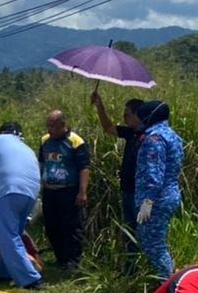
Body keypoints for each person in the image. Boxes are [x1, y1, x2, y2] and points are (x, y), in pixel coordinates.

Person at [0, 123, 44, 289]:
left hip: (10, 189)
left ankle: (31, 279)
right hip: (31, 192)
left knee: (5, 235)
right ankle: (4, 272)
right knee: (15, 233)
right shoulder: (24, 146)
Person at [91, 91, 145, 263]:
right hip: (127, 191)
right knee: (129, 232)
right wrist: (99, 106)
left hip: (141, 195)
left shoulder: (150, 136)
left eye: (127, 114)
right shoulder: (130, 133)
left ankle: (143, 268)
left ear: (138, 115)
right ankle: (131, 269)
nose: (123, 117)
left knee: (142, 232)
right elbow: (108, 127)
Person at [134, 100, 185, 279]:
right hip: (168, 195)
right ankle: (169, 281)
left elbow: (153, 173)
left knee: (154, 245)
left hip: (156, 199)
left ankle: (169, 287)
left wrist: (148, 201)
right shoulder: (172, 135)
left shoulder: (154, 138)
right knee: (157, 242)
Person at [38, 110, 90, 270]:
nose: (49, 129)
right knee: (52, 226)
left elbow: (84, 168)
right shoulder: (45, 141)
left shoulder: (76, 142)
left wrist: (82, 192)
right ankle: (60, 258)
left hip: (69, 191)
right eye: (48, 125)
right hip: (49, 191)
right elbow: (41, 163)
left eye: (52, 126)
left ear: (63, 125)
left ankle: (73, 261)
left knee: (71, 226)